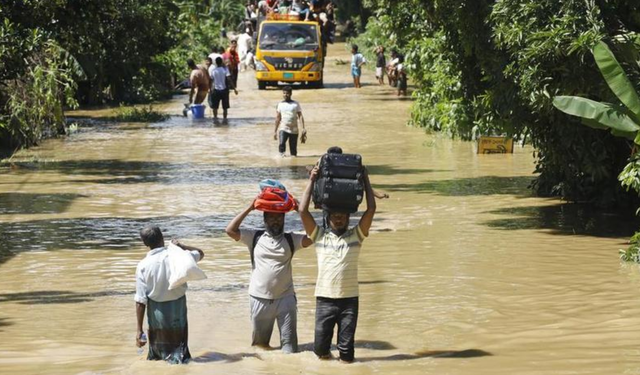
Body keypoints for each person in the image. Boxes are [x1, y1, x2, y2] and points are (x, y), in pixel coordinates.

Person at [298, 162, 376, 363]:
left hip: (349, 301)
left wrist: (366, 178)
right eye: (335, 216)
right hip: (324, 299)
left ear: (349, 217)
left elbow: (371, 210)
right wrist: (311, 179)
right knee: (320, 351)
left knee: (347, 354)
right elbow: (302, 211)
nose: (339, 219)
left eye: (342, 216)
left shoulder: (356, 236)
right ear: (329, 217)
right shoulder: (319, 236)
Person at [225, 199, 313, 353]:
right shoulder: (254, 237)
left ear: (284, 220)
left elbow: (313, 236)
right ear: (264, 219)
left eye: (279, 217)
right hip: (259, 299)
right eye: (271, 217)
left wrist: (301, 211)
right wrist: (250, 207)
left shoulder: (291, 239)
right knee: (260, 347)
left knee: (290, 350)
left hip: (286, 300)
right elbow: (230, 230)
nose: (276, 221)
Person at [134, 226, 205, 364]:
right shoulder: (179, 256)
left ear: (145, 244)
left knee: (157, 354)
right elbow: (200, 253)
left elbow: (140, 301)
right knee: (180, 351)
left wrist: (139, 330)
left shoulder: (143, 265)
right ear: (163, 238)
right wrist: (182, 246)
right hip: (178, 308)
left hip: (156, 312)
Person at [274, 86, 306, 157]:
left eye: (287, 93)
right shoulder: (280, 104)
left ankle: (293, 164)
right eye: (284, 93)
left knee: (293, 150)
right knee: (281, 143)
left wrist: (303, 128)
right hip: (283, 128)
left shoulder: (295, 104)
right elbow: (278, 118)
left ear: (291, 94)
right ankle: (281, 160)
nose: (285, 95)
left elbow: (300, 116)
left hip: (294, 129)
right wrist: (275, 131)